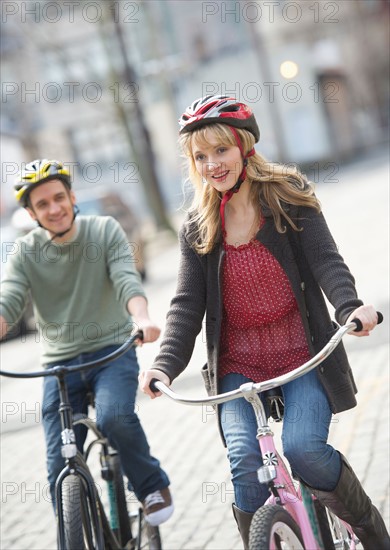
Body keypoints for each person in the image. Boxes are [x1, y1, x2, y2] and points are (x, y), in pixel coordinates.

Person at [139, 95, 390, 549]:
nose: (213, 164)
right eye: (201, 156)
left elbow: (326, 262)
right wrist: (163, 367)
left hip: (300, 355)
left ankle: (372, 534)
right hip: (238, 367)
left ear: (244, 147)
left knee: (303, 449)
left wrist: (350, 306)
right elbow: (185, 306)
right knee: (245, 465)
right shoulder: (199, 226)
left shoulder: (286, 196)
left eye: (221, 150)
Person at [0, 159, 173, 527]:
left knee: (115, 418)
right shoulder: (26, 251)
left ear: (72, 196)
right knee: (58, 461)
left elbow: (126, 278)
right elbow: (9, 299)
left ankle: (151, 486)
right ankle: (74, 527)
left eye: (59, 198)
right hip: (59, 367)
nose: (54, 208)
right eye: (42, 204)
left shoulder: (103, 230)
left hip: (112, 352)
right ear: (31, 213)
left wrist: (142, 319)